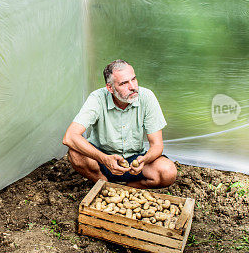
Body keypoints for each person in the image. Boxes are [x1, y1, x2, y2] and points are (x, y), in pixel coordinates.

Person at [62, 59, 177, 189]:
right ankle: (105, 185)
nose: (132, 86)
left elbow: (157, 145)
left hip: (135, 162)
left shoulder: (147, 97)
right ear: (110, 88)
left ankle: (128, 188)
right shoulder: (97, 98)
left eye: (133, 79)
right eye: (124, 83)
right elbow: (69, 137)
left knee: (168, 172)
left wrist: (144, 160)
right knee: (75, 154)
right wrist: (104, 159)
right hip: (102, 161)